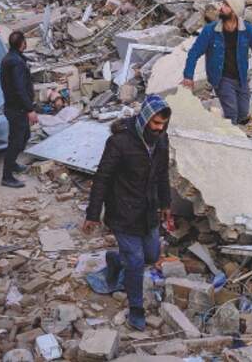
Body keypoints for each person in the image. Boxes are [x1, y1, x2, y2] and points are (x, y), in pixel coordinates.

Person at [82, 94, 172, 331]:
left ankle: (115, 260)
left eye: (162, 125)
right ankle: (136, 308)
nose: (159, 129)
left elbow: (163, 175)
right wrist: (93, 214)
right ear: (144, 119)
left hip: (149, 210)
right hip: (123, 211)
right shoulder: (120, 142)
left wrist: (166, 205)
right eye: (155, 124)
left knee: (151, 256)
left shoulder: (161, 140)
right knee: (136, 261)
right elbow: (102, 178)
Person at [182, 0, 252, 124]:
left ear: (234, 11)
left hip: (241, 77)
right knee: (232, 113)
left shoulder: (247, 30)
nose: (221, 8)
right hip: (221, 77)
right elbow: (194, 53)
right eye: (222, 4)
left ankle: (237, 135)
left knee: (243, 113)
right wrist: (188, 76)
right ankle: (233, 139)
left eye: (226, 5)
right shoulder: (210, 30)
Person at [0, 31, 37, 188]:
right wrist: (30, 109)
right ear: (22, 43)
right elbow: (19, 88)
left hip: (14, 107)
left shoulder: (11, 58)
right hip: (17, 109)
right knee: (16, 141)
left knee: (24, 135)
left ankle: (13, 164)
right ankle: (7, 176)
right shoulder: (15, 62)